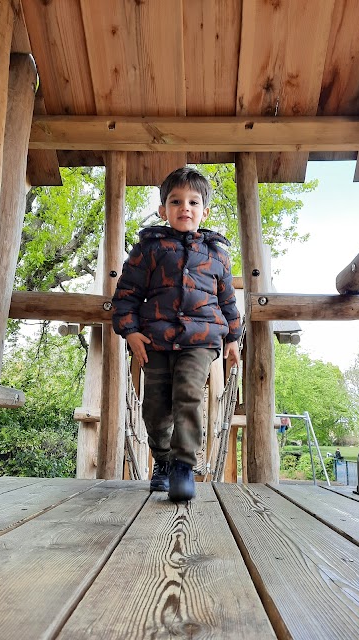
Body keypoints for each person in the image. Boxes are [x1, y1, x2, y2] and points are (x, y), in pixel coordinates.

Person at [112, 167, 242, 502]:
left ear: (205, 211)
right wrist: (130, 332)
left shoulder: (217, 254)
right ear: (163, 210)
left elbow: (227, 299)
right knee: (154, 407)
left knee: (187, 393)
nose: (185, 207)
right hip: (155, 339)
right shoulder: (148, 250)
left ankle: (184, 466)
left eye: (193, 202)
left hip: (201, 340)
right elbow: (126, 294)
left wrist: (233, 338)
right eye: (176, 201)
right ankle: (163, 459)